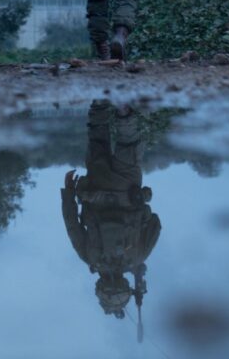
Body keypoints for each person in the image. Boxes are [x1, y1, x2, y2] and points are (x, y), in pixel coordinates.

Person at [61, 100, 161, 328]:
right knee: (98, 140)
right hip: (95, 189)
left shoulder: (138, 257)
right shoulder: (90, 258)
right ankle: (100, 100)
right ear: (99, 286)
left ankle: (123, 105)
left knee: (128, 142)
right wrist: (68, 192)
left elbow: (155, 223)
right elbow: (72, 224)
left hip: (128, 190)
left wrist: (142, 213)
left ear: (126, 285)